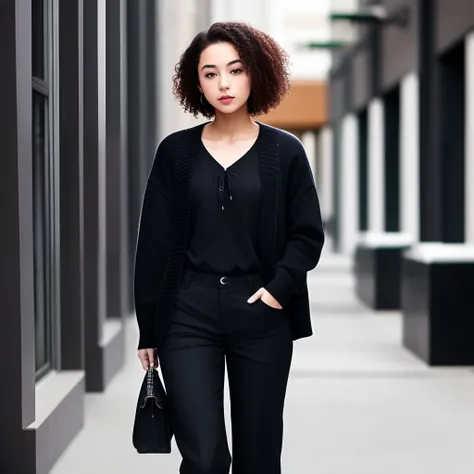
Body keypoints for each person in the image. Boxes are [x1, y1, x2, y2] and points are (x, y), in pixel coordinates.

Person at [134, 21, 325, 474]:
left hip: (261, 311)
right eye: (210, 73)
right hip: (187, 314)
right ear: (195, 83)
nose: (223, 83)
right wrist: (149, 324)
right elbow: (154, 242)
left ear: (255, 73)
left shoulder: (286, 152)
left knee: (258, 457)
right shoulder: (175, 153)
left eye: (235, 70)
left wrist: (279, 288)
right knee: (204, 457)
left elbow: (307, 234)